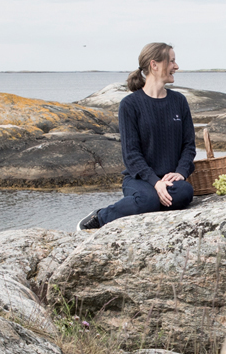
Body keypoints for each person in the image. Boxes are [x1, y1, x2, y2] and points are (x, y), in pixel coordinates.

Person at [77, 42, 195, 230]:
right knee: (147, 201)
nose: (176, 66)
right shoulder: (130, 105)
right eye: (171, 61)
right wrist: (156, 183)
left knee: (185, 192)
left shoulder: (179, 101)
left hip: (171, 181)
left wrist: (180, 173)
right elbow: (131, 154)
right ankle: (101, 217)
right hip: (139, 180)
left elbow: (189, 145)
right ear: (154, 65)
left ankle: (154, 203)